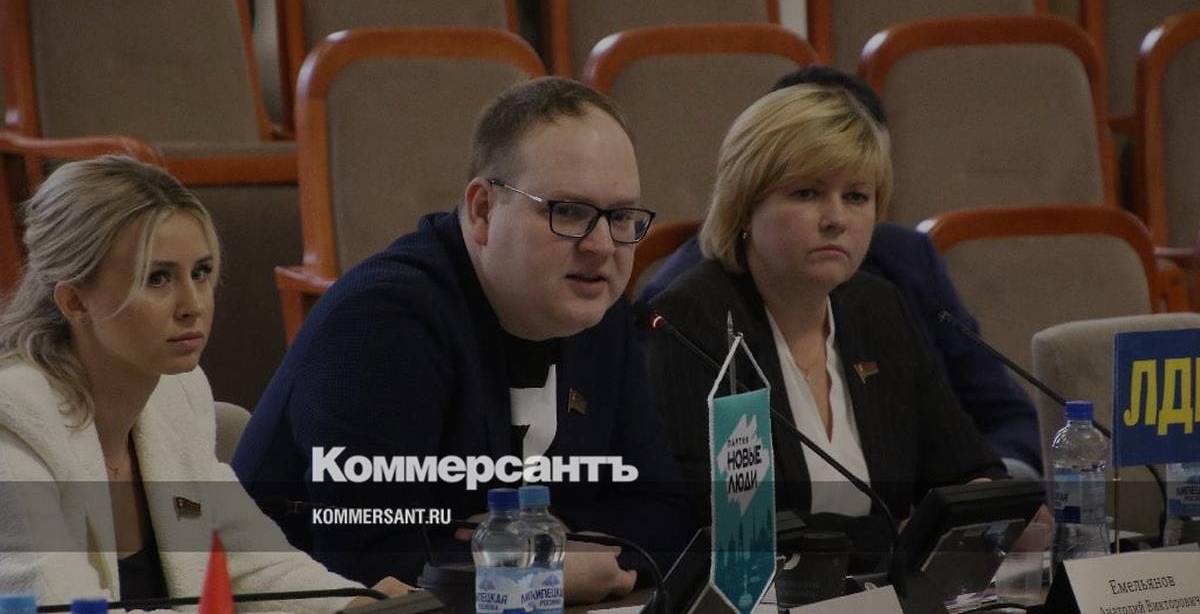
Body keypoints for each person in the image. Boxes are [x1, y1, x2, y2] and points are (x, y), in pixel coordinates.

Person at [233, 77, 692, 601]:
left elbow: (668, 516)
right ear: (482, 211)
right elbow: (367, 560)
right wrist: (545, 574)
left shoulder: (599, 312)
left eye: (622, 217)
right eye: (569, 211)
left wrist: (536, 544)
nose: (603, 246)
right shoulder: (382, 323)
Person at [0, 157, 406, 611]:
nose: (193, 304)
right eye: (157, 279)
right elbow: (63, 608)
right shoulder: (12, 424)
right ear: (76, 301)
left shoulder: (177, 396)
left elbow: (256, 567)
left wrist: (355, 606)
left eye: (201, 272)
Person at [642, 84, 1006, 563]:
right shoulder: (694, 323)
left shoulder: (877, 308)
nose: (836, 218)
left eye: (856, 196)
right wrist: (895, 538)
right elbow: (728, 521)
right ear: (745, 205)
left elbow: (965, 466)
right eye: (807, 192)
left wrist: (989, 502)